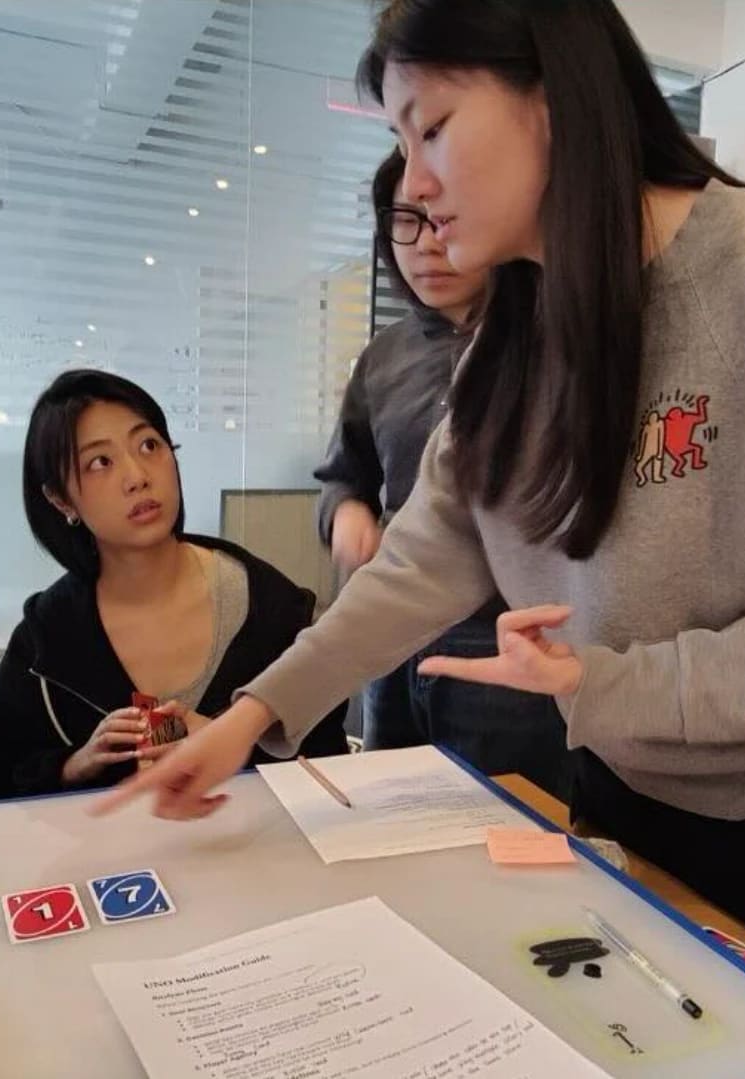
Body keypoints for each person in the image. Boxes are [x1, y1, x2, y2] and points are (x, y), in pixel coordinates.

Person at [99, 0, 745, 985]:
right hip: (618, 801)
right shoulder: (514, 328)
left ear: (550, 95)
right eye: (400, 142)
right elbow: (423, 558)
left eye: (434, 129)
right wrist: (250, 715)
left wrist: (604, 681)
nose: (414, 183)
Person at [317, 148, 569, 797]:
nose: (426, 243)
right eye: (405, 220)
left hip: (502, 639)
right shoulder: (384, 355)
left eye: (442, 218)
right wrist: (348, 512)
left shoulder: (550, 345)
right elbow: (346, 471)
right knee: (386, 808)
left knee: (498, 823)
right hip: (393, 628)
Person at [0, 369, 349, 800]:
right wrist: (74, 765)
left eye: (149, 445)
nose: (137, 476)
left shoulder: (271, 608)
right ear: (60, 500)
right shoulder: (47, 641)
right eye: (100, 462)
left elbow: (327, 763)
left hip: (255, 854)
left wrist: (235, 740)